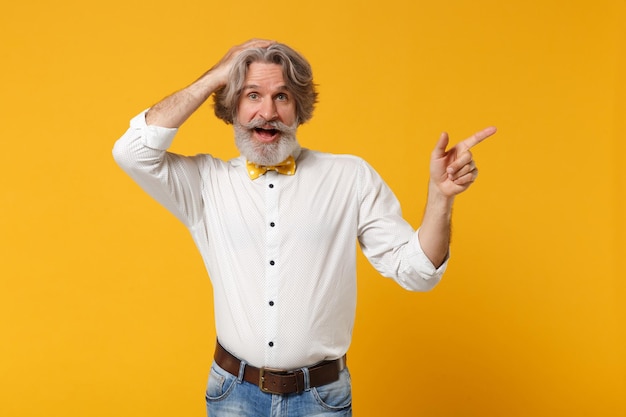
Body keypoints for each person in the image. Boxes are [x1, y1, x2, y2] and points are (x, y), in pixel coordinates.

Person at [112, 39, 496, 417]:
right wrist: (215, 75)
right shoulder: (205, 183)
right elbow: (131, 151)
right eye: (252, 96)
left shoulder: (350, 177)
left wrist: (440, 198)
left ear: (299, 108)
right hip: (233, 394)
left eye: (281, 97)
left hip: (321, 400)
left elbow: (416, 273)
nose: (268, 112)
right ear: (232, 107)